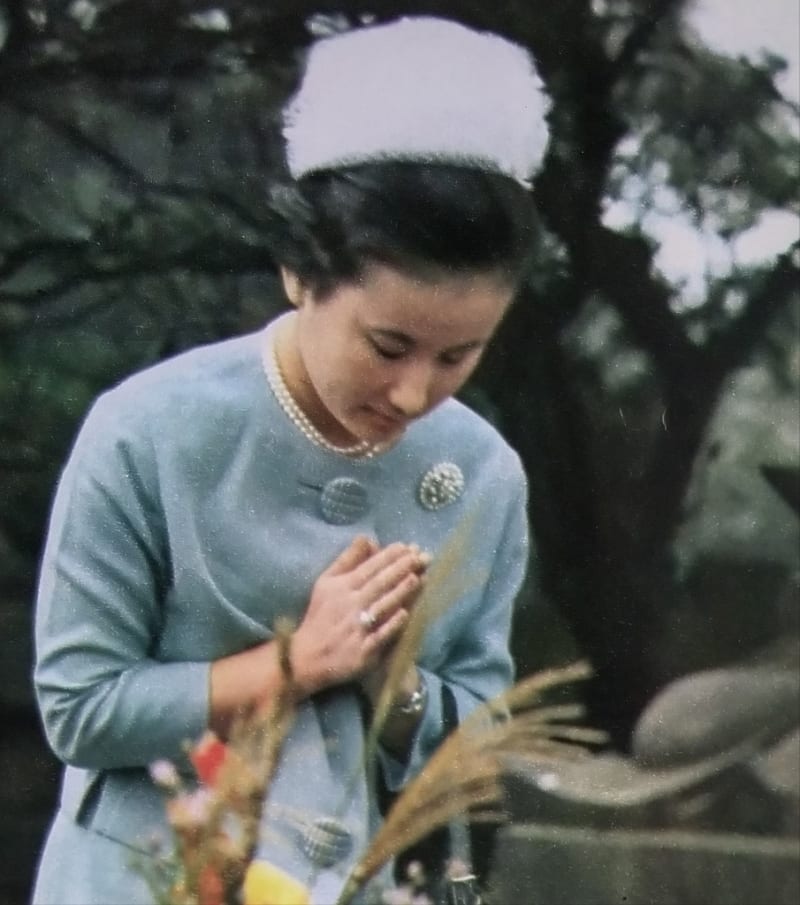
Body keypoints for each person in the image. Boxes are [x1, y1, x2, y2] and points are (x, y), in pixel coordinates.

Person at [31, 15, 550, 905]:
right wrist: (296, 663)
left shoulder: (483, 473)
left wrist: (393, 681)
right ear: (299, 273)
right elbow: (80, 707)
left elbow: (484, 732)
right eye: (387, 346)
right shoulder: (148, 430)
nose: (414, 394)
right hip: (146, 878)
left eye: (459, 356)